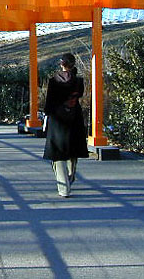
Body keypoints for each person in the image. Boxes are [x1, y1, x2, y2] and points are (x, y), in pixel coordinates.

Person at [43, 53, 89, 197]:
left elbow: (49, 103)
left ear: (61, 64)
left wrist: (46, 116)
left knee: (57, 153)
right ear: (73, 64)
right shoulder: (78, 81)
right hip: (74, 117)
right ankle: (70, 176)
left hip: (57, 119)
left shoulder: (53, 81)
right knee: (72, 149)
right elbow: (79, 95)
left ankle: (64, 188)